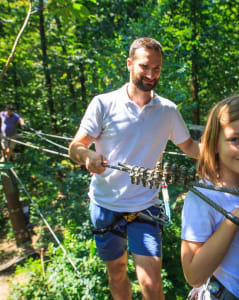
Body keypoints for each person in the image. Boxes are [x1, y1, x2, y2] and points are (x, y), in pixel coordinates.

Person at [68, 37, 201, 300]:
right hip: (105, 206)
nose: (151, 74)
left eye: (157, 68)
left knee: (151, 284)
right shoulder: (103, 104)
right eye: (144, 66)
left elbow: (193, 149)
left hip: (145, 207)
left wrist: (230, 147)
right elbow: (75, 146)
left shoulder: (167, 111)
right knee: (116, 274)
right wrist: (86, 156)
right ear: (129, 64)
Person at [181, 96, 239, 300]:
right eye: (234, 139)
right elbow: (193, 275)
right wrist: (235, 218)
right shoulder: (203, 197)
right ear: (214, 143)